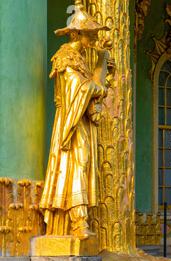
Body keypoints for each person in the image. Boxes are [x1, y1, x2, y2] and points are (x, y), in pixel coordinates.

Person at [39, 1, 109, 240]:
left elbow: (89, 88)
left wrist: (101, 62)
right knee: (77, 164)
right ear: (78, 33)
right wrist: (99, 88)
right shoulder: (66, 57)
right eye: (90, 33)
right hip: (71, 123)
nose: (93, 37)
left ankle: (79, 219)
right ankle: (78, 220)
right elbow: (80, 89)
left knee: (83, 163)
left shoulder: (80, 59)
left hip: (80, 121)